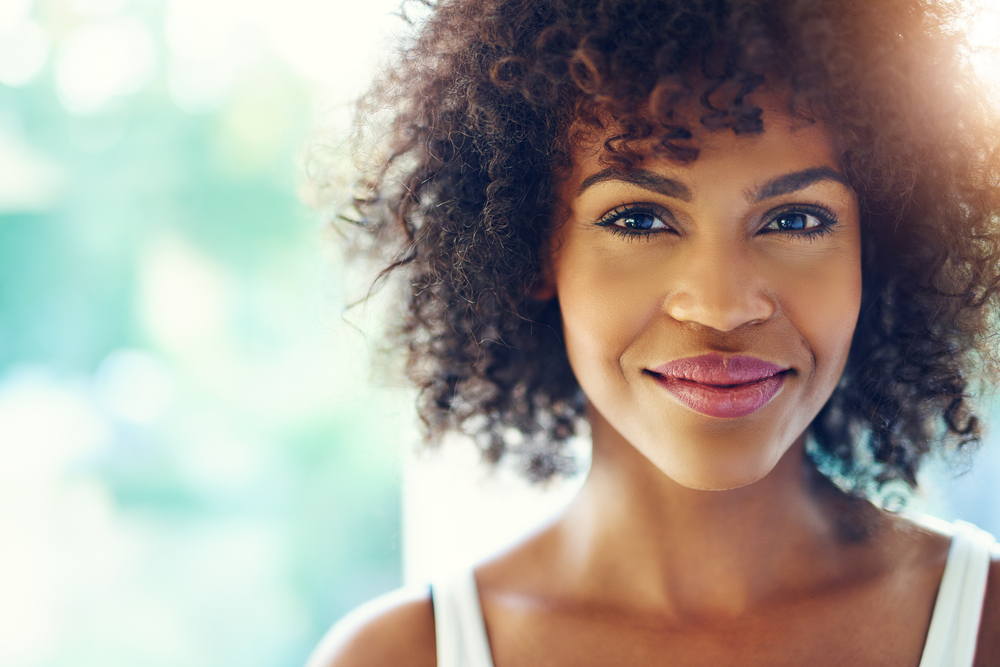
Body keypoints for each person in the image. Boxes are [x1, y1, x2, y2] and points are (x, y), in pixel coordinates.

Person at [308, 0, 1000, 664]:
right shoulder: (396, 658)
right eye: (639, 219)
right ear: (531, 245)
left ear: (874, 248)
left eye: (794, 220)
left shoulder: (986, 625)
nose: (721, 307)